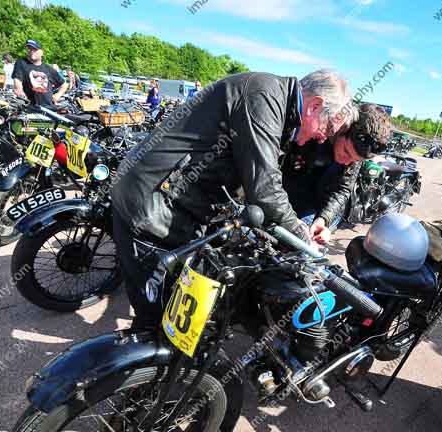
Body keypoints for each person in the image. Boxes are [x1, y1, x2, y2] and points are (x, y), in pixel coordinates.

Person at [112, 69, 356, 332]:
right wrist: (302, 237)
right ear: (314, 106)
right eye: (328, 128)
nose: (324, 138)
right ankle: (141, 369)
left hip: (174, 204)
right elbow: (264, 187)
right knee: (159, 322)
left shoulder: (277, 102)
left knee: (176, 311)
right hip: (152, 208)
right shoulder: (264, 97)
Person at [282, 104, 394, 244]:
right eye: (346, 151)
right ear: (343, 128)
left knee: (303, 247)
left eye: (355, 160)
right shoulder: (314, 130)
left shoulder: (356, 150)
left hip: (315, 205)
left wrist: (324, 219)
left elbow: (343, 189)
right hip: (283, 195)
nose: (347, 162)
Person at [12, 39, 68, 106]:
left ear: (42, 52)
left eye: (34, 49)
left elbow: (64, 85)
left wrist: (57, 95)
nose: (31, 51)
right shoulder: (21, 63)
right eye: (29, 49)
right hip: (31, 108)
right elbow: (17, 84)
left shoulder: (48, 69)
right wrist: (22, 96)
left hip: (49, 108)